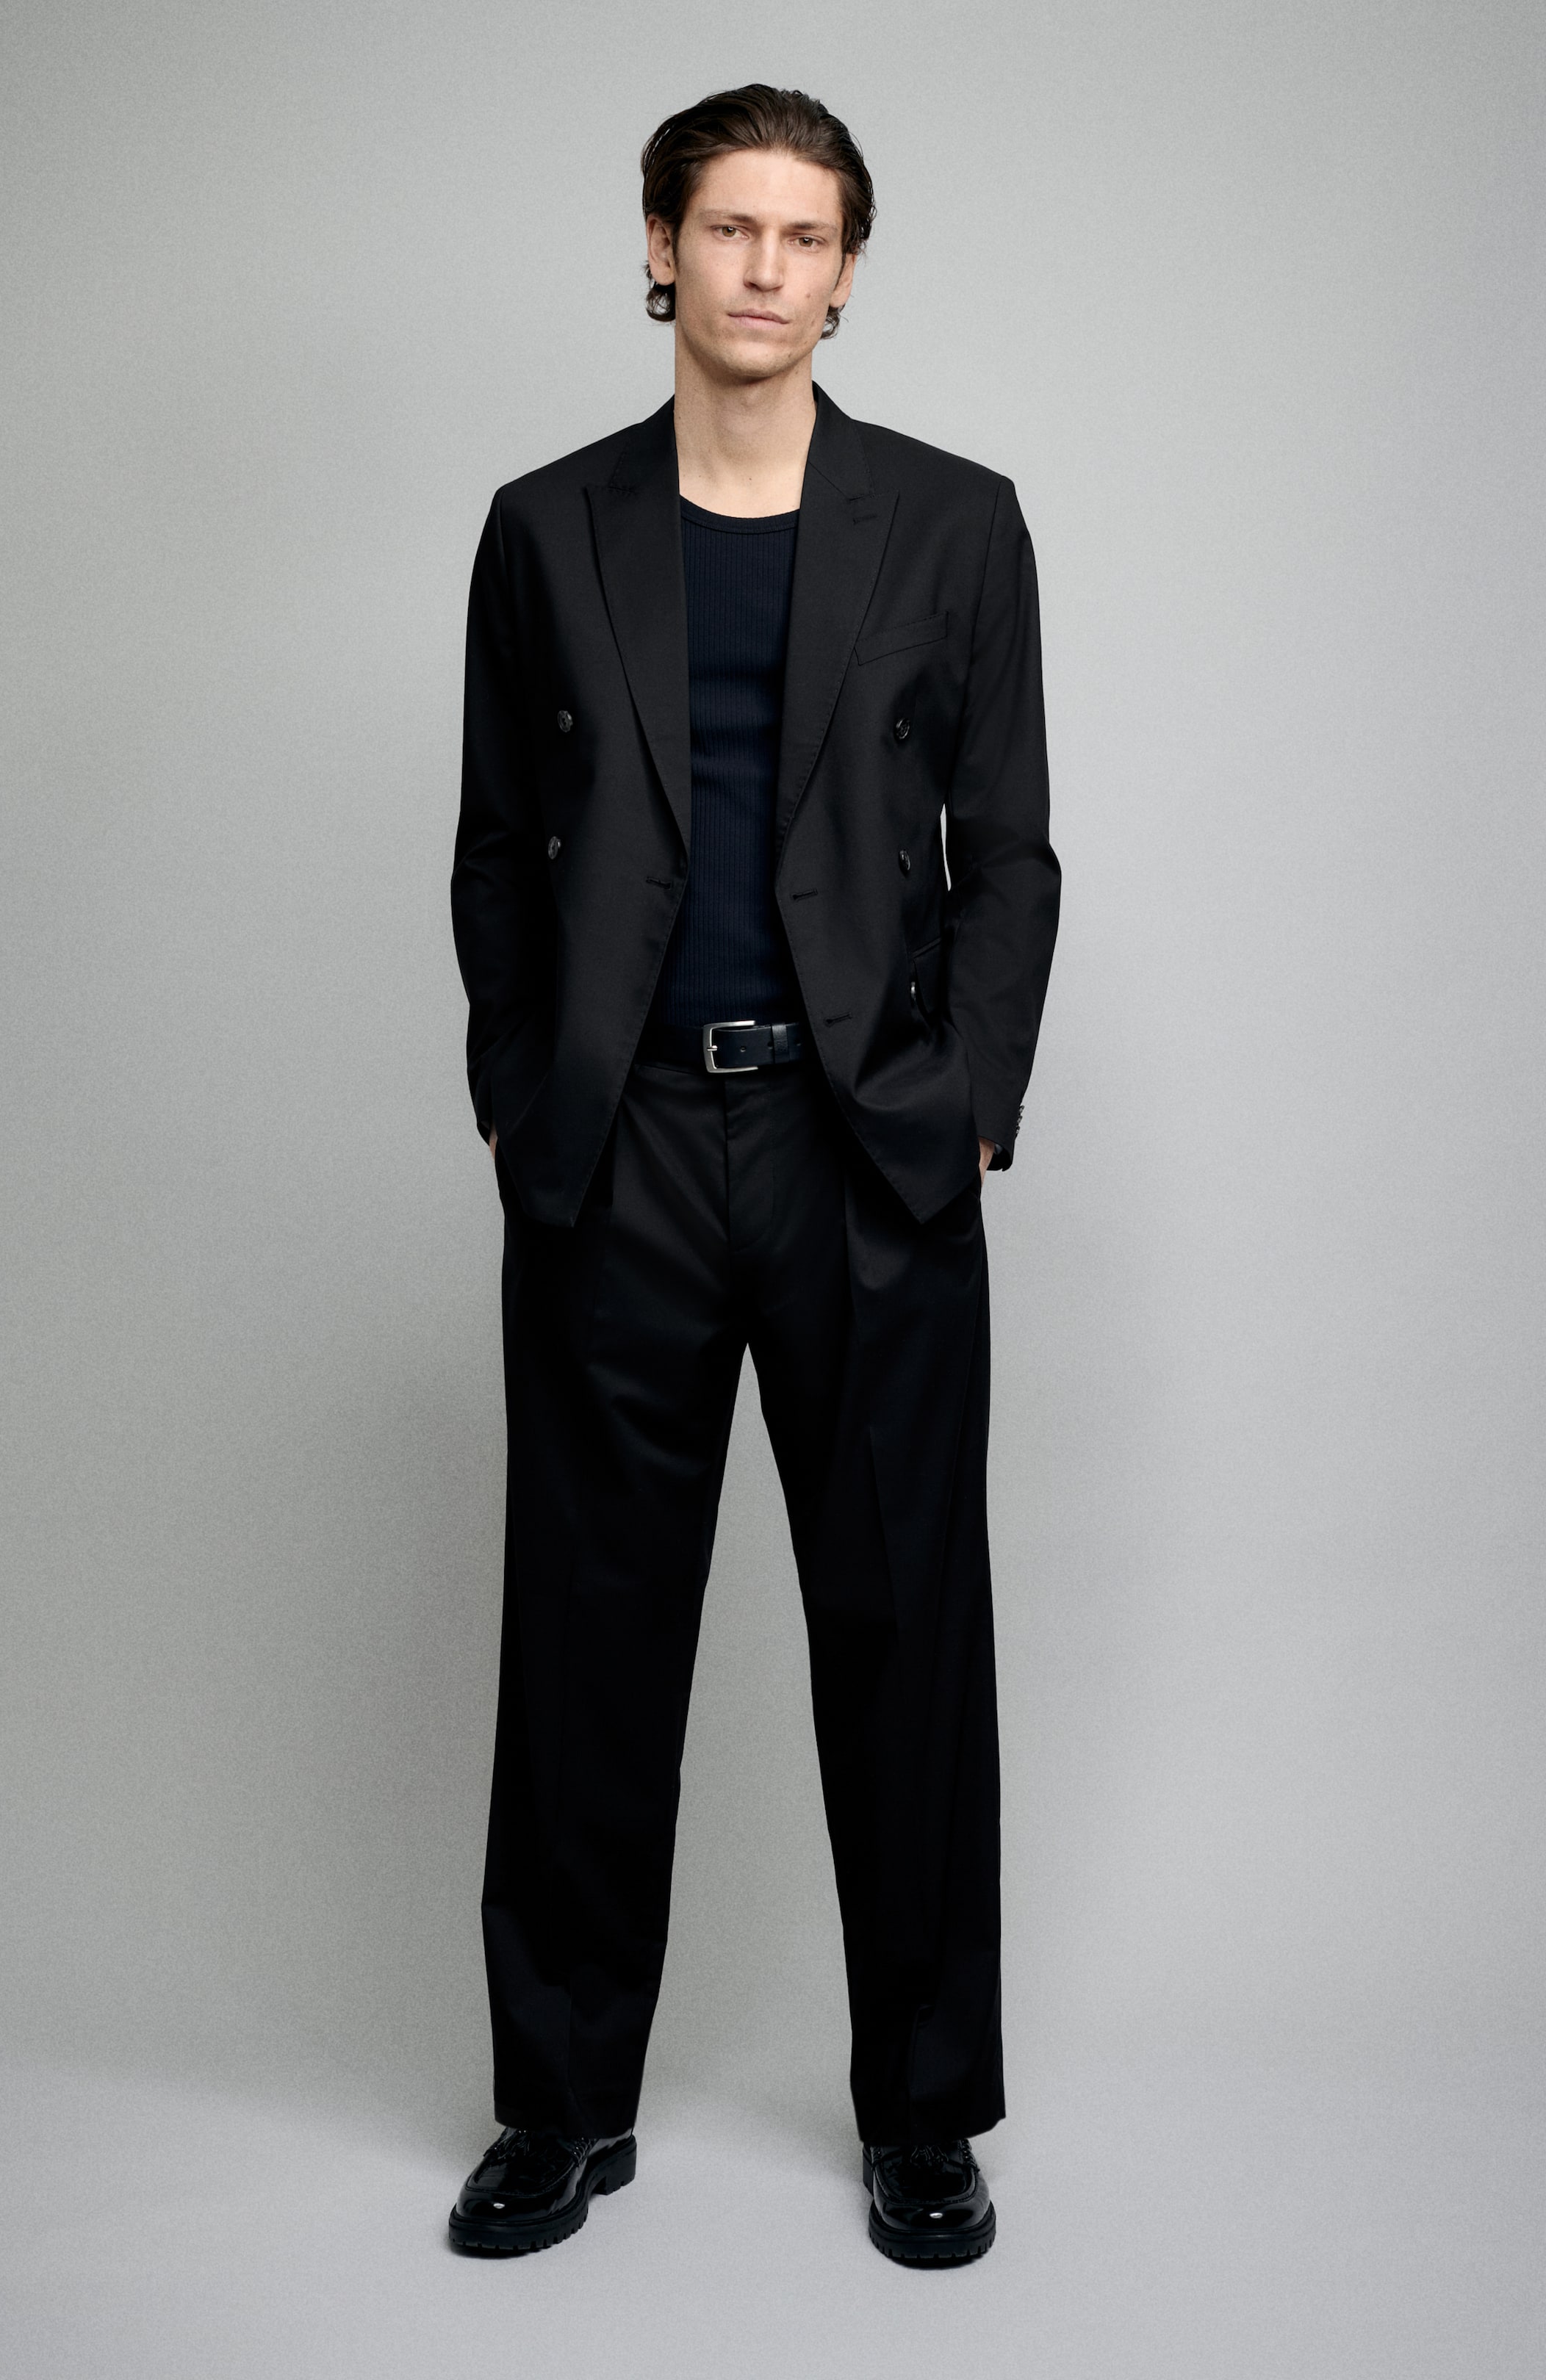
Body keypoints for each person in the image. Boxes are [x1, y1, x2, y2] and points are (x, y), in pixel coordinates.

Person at [447, 83, 1059, 2266]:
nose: (767, 268)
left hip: (863, 1152)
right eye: (731, 228)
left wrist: (966, 1101)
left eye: (807, 235)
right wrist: (525, 1097)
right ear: (661, 246)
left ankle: (926, 2119)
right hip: (616, 1154)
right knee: (588, 1638)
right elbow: (495, 851)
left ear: (847, 271)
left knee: (906, 1641)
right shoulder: (545, 529)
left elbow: (1012, 850)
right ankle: (559, 2107)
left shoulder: (955, 524)